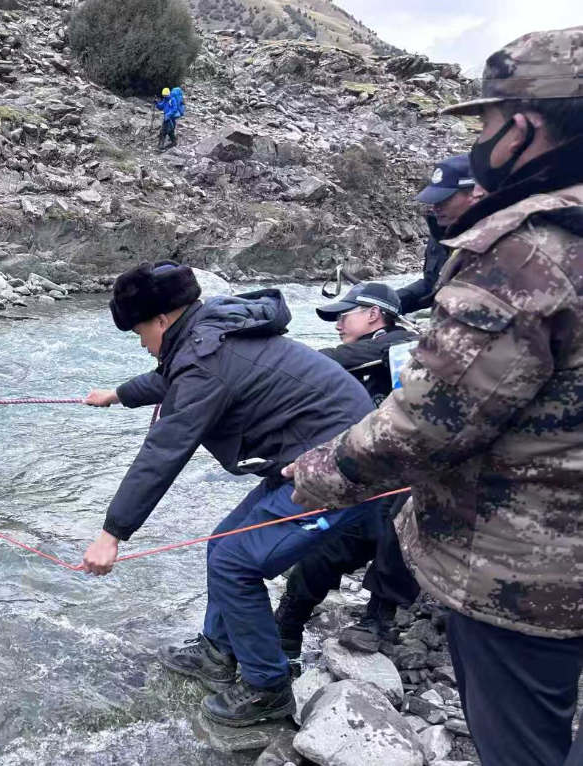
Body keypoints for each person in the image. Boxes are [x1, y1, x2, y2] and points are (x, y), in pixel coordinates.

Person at [283, 26, 583, 766]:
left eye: (484, 121)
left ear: (524, 125)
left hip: (532, 572)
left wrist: (317, 475)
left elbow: (430, 425)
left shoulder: (527, 250)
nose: (479, 138)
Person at [81, 261, 382, 727]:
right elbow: (172, 376)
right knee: (223, 544)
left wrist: (112, 534)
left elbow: (162, 452)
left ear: (162, 319)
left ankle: (267, 687)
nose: (142, 344)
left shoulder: (203, 361)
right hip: (307, 454)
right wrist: (118, 395)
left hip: (343, 466)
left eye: (141, 333)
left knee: (236, 563)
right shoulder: (211, 328)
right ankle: (218, 652)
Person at [273, 282, 421, 657]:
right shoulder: (366, 355)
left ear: (374, 315)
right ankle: (287, 627)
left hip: (412, 480)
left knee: (397, 524)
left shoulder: (400, 346)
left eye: (344, 315)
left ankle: (379, 618)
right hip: (366, 473)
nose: (338, 324)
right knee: (324, 542)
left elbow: (326, 362)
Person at [396, 155, 479, 314]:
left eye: (444, 199)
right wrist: (389, 301)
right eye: (434, 200)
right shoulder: (440, 232)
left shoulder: (501, 237)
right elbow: (431, 286)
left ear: (474, 194)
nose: (436, 207)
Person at [154, 86, 185, 151]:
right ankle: (174, 142)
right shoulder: (165, 100)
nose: (164, 96)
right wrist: (157, 103)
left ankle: (161, 147)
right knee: (170, 131)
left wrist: (168, 114)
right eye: (163, 95)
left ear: (168, 94)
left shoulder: (172, 99)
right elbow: (161, 107)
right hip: (167, 117)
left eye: (165, 95)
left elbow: (175, 109)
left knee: (163, 131)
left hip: (170, 117)